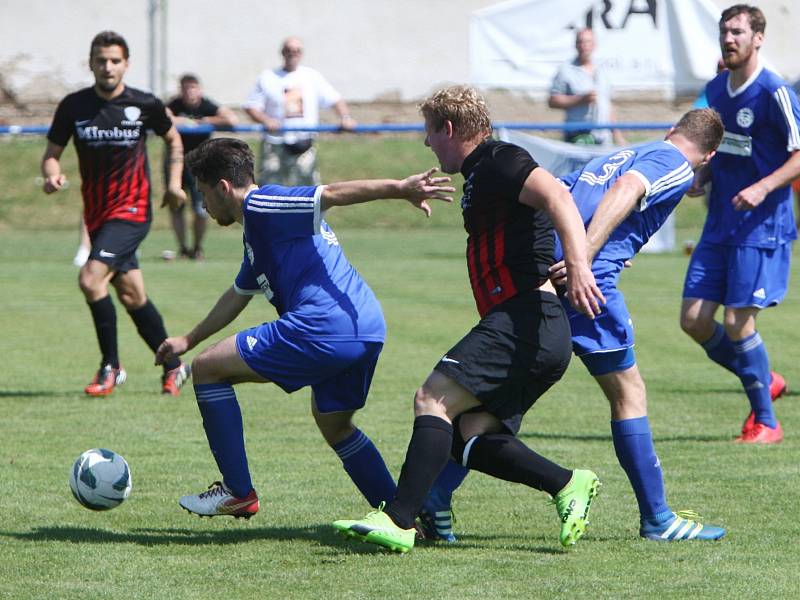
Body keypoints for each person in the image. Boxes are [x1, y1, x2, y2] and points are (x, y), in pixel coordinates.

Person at [422, 109, 729, 544]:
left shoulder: (629, 151)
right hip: (588, 286)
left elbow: (565, 193)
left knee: (497, 402)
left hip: (546, 280)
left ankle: (435, 499)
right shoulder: (675, 162)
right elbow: (628, 189)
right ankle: (658, 518)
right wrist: (583, 256)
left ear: (670, 131)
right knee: (628, 393)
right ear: (709, 155)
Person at [332, 85, 605, 553]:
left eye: (429, 133)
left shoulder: (499, 158)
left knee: (432, 398)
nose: (426, 144)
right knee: (470, 434)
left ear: (450, 128)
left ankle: (399, 520)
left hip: (527, 318)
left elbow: (558, 195)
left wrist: (579, 265)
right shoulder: (481, 174)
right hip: (535, 329)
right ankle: (567, 483)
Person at [155, 137, 455, 519]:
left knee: (208, 369)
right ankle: (405, 516)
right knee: (335, 425)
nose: (203, 205)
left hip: (323, 326)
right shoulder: (259, 235)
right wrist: (187, 338)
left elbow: (329, 193)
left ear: (224, 188)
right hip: (365, 328)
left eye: (203, 194)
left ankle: (237, 491)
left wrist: (400, 188)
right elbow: (237, 294)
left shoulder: (262, 204)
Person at [41, 31, 191, 397]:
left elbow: (173, 138)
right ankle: (174, 365)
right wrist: (51, 175)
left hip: (132, 211)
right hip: (97, 216)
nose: (107, 67)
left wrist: (173, 185)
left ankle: (111, 366)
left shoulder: (144, 104)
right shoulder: (73, 106)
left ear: (126, 63)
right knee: (132, 295)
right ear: (91, 63)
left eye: (114, 60)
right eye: (100, 60)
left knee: (91, 279)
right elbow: (51, 154)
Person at [679, 4, 799, 444]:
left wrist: (764, 187)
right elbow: (719, 149)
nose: (729, 39)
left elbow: (799, 154)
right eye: (724, 32)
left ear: (758, 38)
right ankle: (764, 376)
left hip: (761, 226)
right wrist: (701, 176)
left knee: (737, 323)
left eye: (738, 32)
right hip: (719, 224)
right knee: (693, 320)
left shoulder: (774, 92)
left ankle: (767, 422)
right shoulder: (716, 89)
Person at [243, 36, 356, 187]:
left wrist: (346, 117)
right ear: (282, 53)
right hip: (274, 143)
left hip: (304, 144)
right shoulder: (268, 77)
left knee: (309, 190)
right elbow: (251, 106)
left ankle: (312, 211)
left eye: (297, 51)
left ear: (301, 54)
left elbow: (335, 99)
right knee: (270, 189)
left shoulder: (312, 76)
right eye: (288, 50)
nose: (292, 54)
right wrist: (266, 120)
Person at [163, 74, 238, 261]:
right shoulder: (175, 104)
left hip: (201, 166)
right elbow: (163, 118)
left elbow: (231, 119)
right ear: (181, 90)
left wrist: (206, 121)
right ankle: (182, 248)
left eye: (193, 87)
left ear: (200, 89)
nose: (190, 92)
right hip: (176, 163)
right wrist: (187, 123)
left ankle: (197, 248)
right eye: (186, 88)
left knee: (201, 208)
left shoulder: (207, 105)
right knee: (176, 206)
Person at [548, 28, 626, 146]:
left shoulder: (602, 71)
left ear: (594, 45)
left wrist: (618, 136)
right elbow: (553, 100)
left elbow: (607, 106)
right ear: (575, 45)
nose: (584, 46)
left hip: (603, 138)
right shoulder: (565, 70)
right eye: (580, 42)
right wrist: (580, 100)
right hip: (578, 136)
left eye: (588, 42)